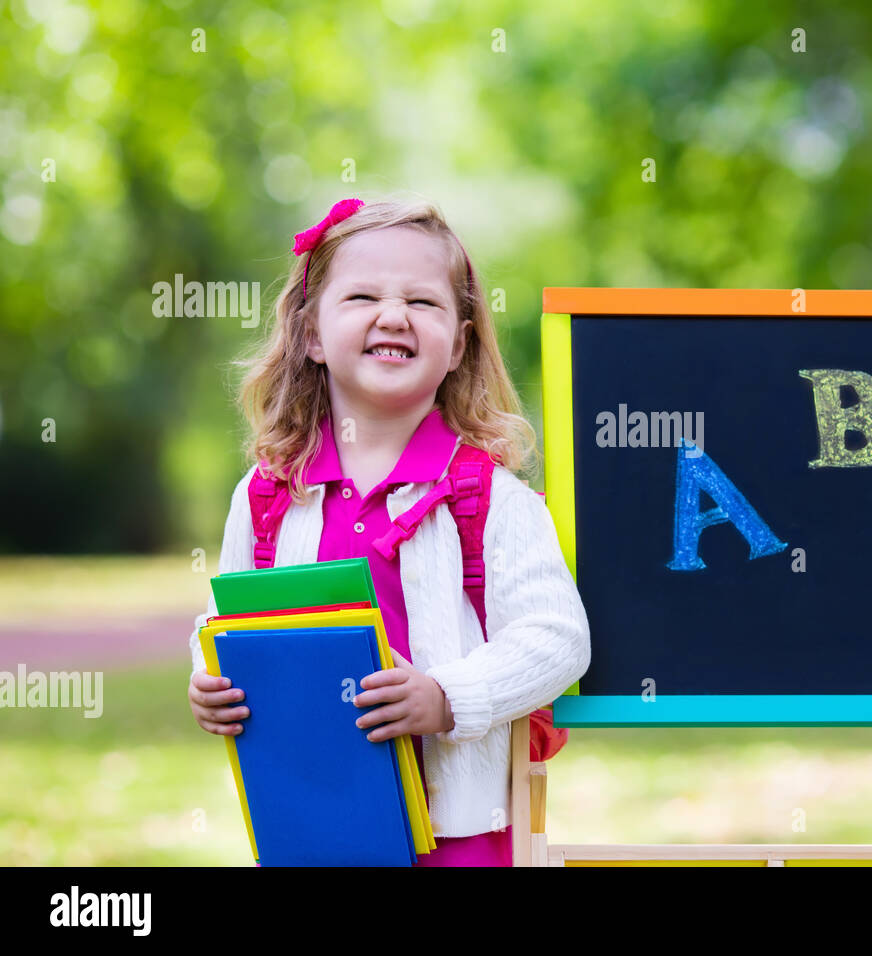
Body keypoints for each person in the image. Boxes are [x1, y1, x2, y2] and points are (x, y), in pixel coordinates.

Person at [186, 196, 590, 866]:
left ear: (459, 344)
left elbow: (556, 640)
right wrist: (207, 679)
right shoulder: (267, 496)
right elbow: (223, 622)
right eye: (363, 296)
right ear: (311, 334)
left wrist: (445, 697)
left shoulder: (491, 498)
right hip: (314, 816)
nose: (393, 315)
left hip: (458, 829)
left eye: (424, 303)